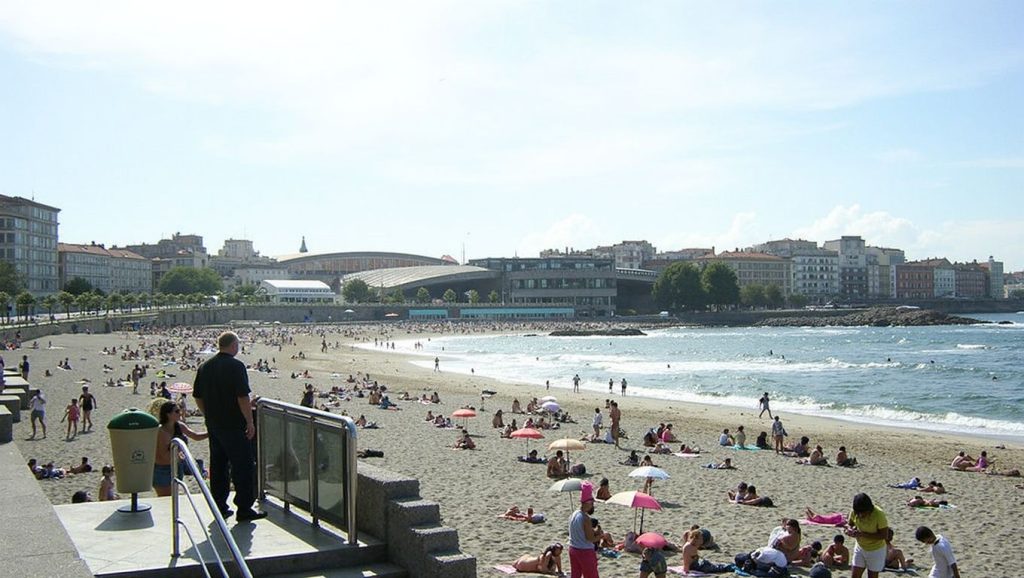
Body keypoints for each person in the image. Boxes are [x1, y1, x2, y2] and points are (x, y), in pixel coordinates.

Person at [193, 331, 266, 522]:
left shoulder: (205, 366)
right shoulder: (236, 366)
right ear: (233, 345)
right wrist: (250, 421)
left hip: (214, 424)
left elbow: (197, 396)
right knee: (243, 466)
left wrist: (207, 414)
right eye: (238, 345)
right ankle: (244, 508)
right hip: (234, 425)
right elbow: (242, 396)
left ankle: (220, 506)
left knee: (218, 466)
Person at [153, 401, 209, 497]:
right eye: (177, 411)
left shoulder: (179, 426)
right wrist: (180, 455)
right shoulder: (161, 431)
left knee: (175, 496)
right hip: (163, 470)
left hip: (177, 467)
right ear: (168, 414)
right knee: (165, 498)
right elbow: (163, 455)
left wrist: (210, 433)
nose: (180, 413)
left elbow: (195, 436)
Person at [846, 493, 888, 578]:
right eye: (858, 513)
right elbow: (849, 524)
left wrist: (863, 534)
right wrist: (849, 530)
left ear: (869, 509)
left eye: (863, 513)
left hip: (876, 550)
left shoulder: (879, 514)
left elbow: (884, 535)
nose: (861, 515)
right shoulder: (854, 512)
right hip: (860, 547)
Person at [568, 481, 601, 578]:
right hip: (584, 551)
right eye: (592, 503)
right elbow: (590, 539)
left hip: (573, 548)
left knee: (575, 575)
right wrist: (600, 536)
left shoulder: (574, 514)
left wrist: (595, 532)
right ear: (588, 503)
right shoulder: (586, 518)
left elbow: (580, 532)